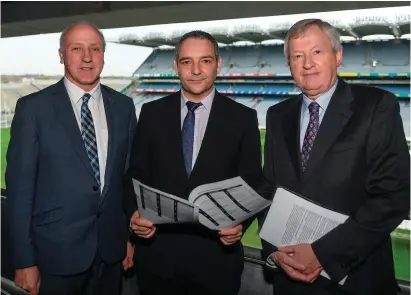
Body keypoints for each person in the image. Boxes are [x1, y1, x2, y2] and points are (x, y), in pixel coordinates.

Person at [258, 18, 410, 295]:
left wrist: (322, 254)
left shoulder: (377, 106)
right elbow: (268, 190)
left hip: (357, 282)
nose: (307, 64)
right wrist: (273, 252)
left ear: (338, 56)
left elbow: (393, 196)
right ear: (289, 65)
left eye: (317, 52)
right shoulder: (278, 115)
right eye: (297, 56)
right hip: (289, 282)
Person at [126, 30, 262, 295]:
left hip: (217, 265)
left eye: (206, 61)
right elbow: (136, 173)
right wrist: (133, 216)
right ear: (176, 66)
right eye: (187, 62)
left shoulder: (243, 118)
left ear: (218, 64)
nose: (196, 70)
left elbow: (253, 183)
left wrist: (240, 226)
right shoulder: (152, 113)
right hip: (157, 262)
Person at [6, 22, 137, 295]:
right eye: (77, 49)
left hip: (111, 255)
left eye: (95, 49)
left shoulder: (123, 107)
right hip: (54, 258)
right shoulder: (33, 109)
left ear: (104, 54)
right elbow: (20, 194)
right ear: (61, 55)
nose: (87, 57)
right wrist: (24, 261)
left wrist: (127, 237)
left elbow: (126, 180)